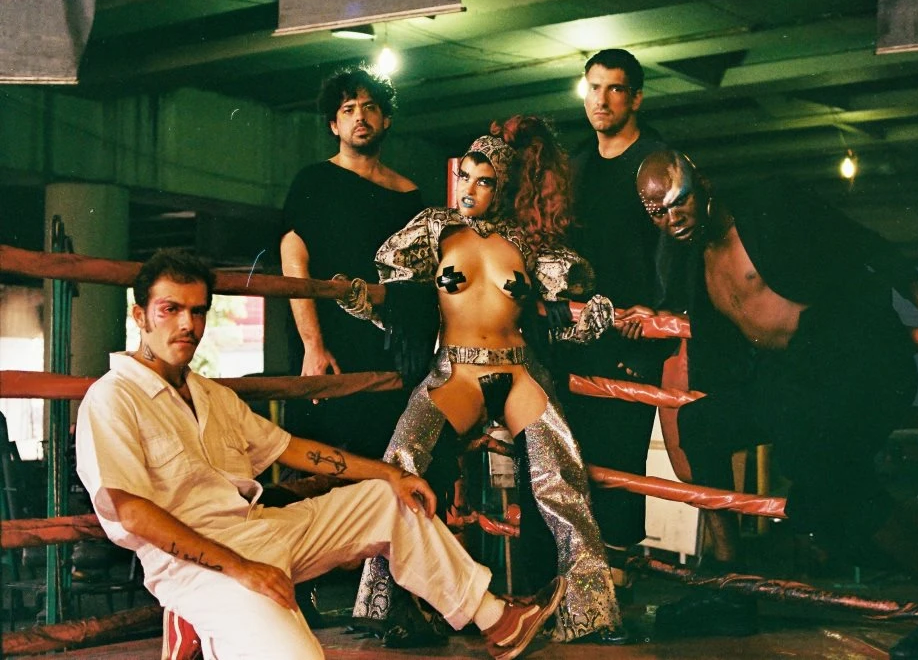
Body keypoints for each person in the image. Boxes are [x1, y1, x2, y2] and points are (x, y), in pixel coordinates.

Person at [75, 249, 565, 660]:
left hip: (261, 530)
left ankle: (497, 621)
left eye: (198, 311)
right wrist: (241, 568)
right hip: (199, 568)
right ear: (139, 316)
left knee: (388, 500)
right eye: (170, 309)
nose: (187, 324)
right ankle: (203, 621)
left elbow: (292, 449)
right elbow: (131, 511)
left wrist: (390, 475)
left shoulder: (209, 395)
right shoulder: (113, 398)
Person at [635, 151, 918, 659]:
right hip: (789, 378)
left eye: (679, 201)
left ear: (703, 184)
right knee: (701, 424)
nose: (672, 218)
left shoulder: (769, 205)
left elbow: (866, 243)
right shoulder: (692, 258)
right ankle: (730, 586)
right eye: (657, 211)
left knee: (820, 474)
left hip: (853, 364)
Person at [337, 117, 624, 644]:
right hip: (457, 371)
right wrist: (361, 303)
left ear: (503, 188)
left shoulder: (528, 242)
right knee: (402, 463)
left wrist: (591, 319)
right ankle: (389, 605)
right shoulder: (433, 230)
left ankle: (590, 613)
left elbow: (558, 320)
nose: (469, 189)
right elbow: (401, 308)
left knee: (560, 475)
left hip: (517, 368)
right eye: (464, 176)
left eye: (484, 180)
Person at [558, 48, 677, 592]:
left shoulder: (657, 161)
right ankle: (576, 575)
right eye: (593, 87)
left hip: (633, 336)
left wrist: (658, 313)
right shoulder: (575, 165)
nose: (601, 100)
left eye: (614, 89)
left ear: (636, 98)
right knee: (573, 454)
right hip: (576, 334)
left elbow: (679, 242)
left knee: (622, 456)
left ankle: (618, 580)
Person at [280, 64, 422, 460]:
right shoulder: (314, 181)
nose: (360, 116)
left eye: (369, 107)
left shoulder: (409, 194)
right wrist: (313, 345)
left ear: (386, 119)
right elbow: (293, 256)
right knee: (321, 461)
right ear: (334, 124)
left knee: (387, 458)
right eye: (348, 109)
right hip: (328, 340)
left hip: (388, 348)